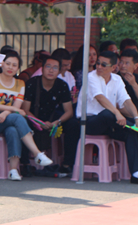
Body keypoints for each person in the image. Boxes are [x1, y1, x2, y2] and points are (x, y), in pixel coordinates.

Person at [0, 50, 52, 180]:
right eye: (8, 63)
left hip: (7, 119)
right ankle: (37, 153)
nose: (10, 67)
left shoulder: (20, 83)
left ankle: (13, 170)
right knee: (17, 117)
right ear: (1, 64)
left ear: (18, 68)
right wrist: (11, 110)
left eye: (14, 65)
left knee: (13, 130)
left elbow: (17, 107)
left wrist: (6, 112)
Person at [76, 51, 138, 184]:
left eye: (104, 65)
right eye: (98, 63)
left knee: (132, 132)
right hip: (89, 123)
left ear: (113, 67)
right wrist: (117, 113)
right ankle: (131, 126)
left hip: (109, 124)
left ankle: (135, 174)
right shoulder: (91, 77)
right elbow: (100, 98)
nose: (99, 66)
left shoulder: (117, 79)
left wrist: (136, 117)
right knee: (107, 114)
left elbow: (126, 100)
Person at [22, 54, 80, 175]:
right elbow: (25, 109)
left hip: (54, 119)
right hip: (33, 118)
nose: (51, 70)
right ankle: (25, 164)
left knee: (74, 124)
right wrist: (39, 122)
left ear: (59, 71)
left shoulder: (62, 85)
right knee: (22, 122)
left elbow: (69, 111)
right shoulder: (32, 83)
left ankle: (67, 164)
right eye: (48, 66)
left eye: (55, 68)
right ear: (42, 68)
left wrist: (57, 122)